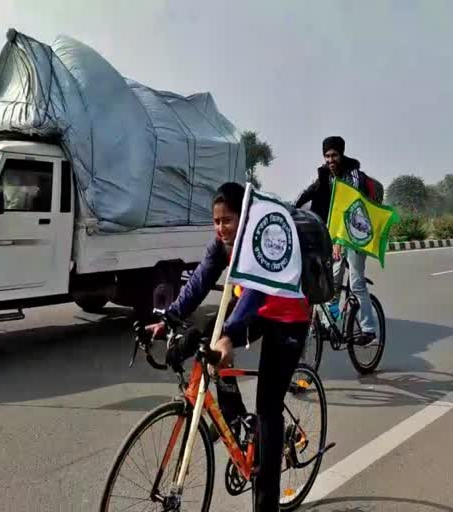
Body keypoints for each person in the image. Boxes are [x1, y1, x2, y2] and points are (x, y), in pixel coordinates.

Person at [146, 182, 310, 512]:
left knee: (268, 406)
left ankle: (267, 504)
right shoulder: (221, 244)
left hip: (287, 316)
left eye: (228, 220)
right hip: (255, 311)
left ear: (245, 217)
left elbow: (254, 294)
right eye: (217, 221)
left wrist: (230, 334)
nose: (221, 228)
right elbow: (199, 281)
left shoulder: (259, 239)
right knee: (208, 342)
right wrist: (170, 317)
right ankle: (236, 423)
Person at [293, 136, 376, 345]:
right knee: (332, 282)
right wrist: (289, 212)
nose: (331, 160)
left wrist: (341, 240)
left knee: (357, 283)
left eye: (334, 155)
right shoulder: (326, 176)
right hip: (336, 234)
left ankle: (368, 328)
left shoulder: (353, 175)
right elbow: (306, 194)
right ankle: (328, 326)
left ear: (341, 154)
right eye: (327, 156)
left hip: (357, 232)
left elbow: (352, 205)